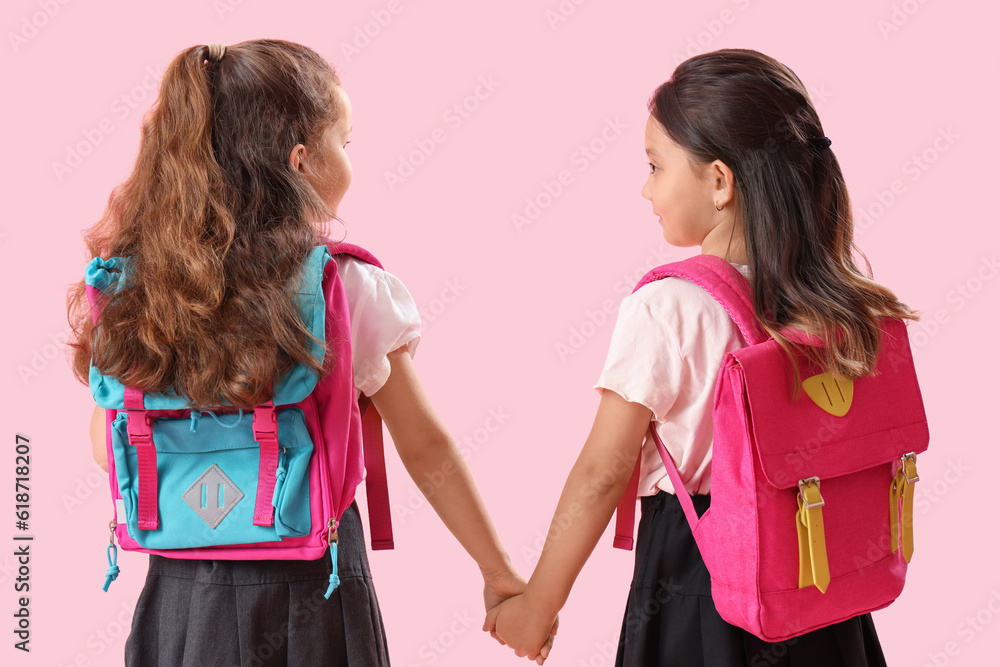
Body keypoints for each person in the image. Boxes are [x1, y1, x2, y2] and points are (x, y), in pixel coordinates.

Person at [67, 39, 545, 666]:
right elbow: (424, 445)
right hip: (311, 593)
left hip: (181, 598)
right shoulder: (341, 286)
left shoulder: (137, 287)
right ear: (301, 162)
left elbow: (110, 450)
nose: (349, 161)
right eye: (344, 143)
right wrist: (500, 575)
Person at [483, 48, 917, 666]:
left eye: (656, 166)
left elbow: (603, 472)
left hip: (701, 585)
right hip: (822, 584)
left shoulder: (670, 307)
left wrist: (537, 608)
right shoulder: (839, 303)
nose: (645, 188)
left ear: (718, 181)